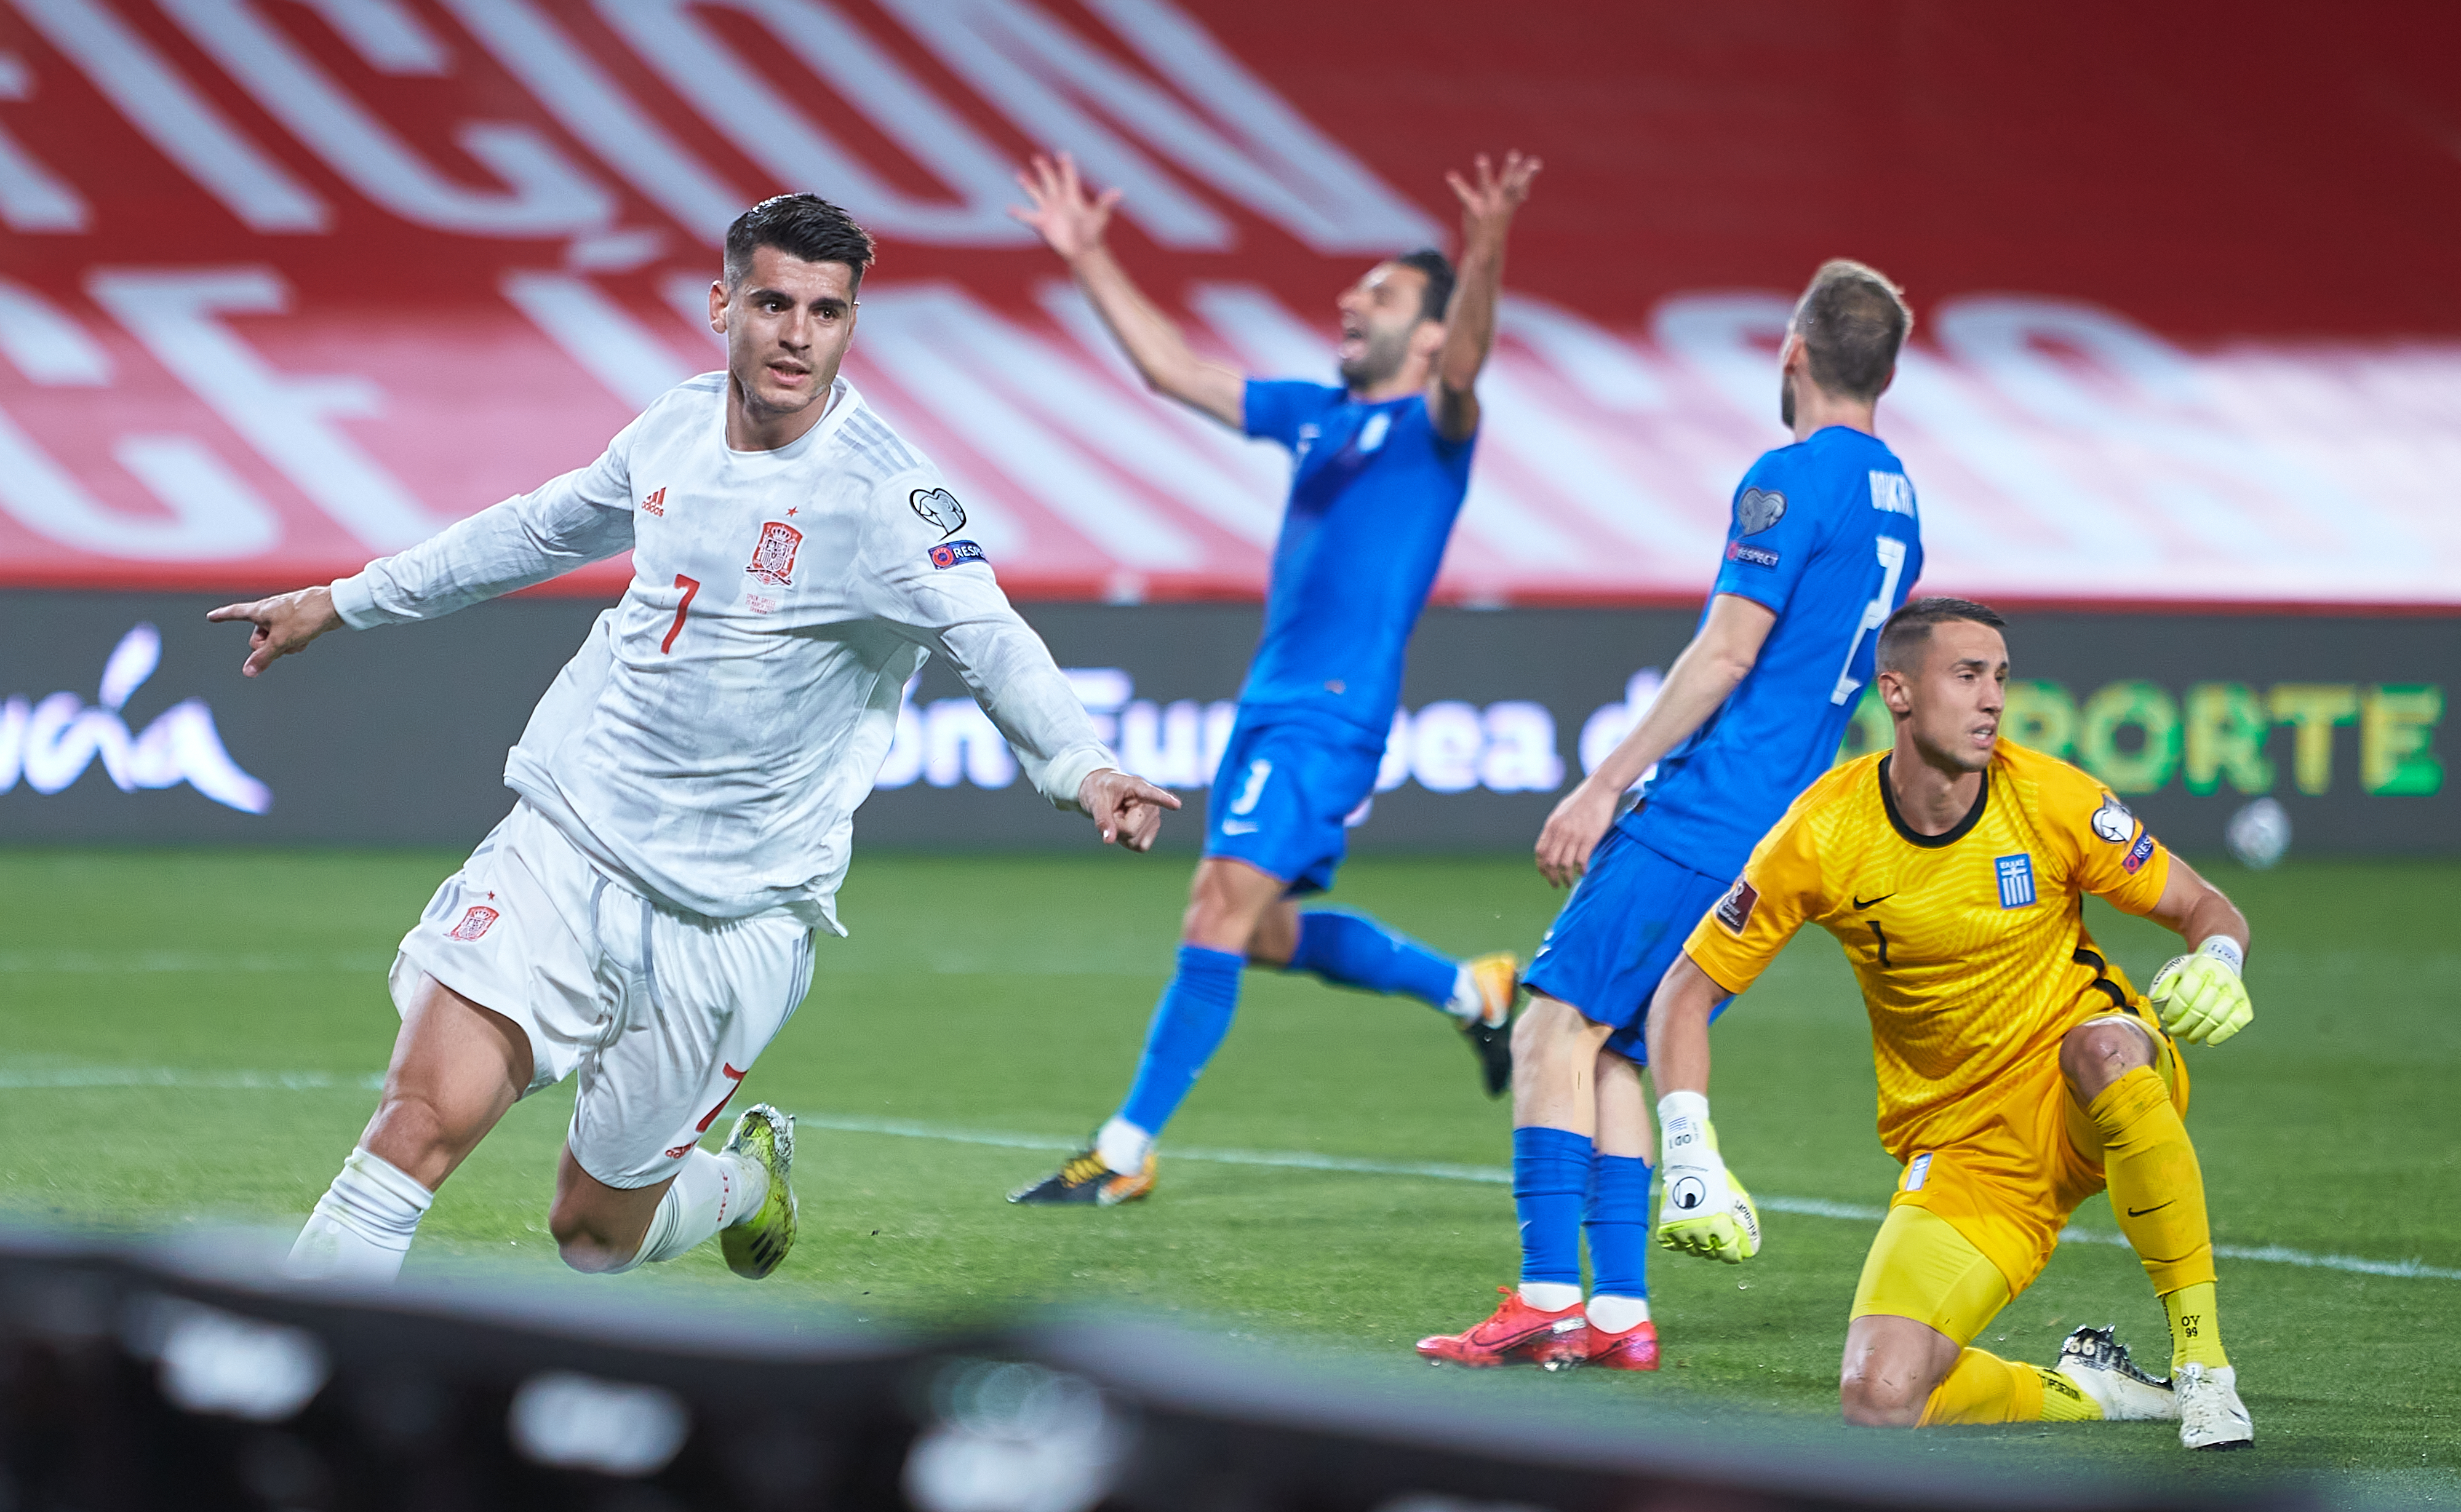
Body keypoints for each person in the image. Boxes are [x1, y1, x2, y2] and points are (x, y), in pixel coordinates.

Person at [210, 194, 1178, 1284]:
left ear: (851, 325)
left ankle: (748, 1182)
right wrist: (343, 601)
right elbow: (536, 529)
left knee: (590, 1236)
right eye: (773, 303)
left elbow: (990, 637)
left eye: (826, 311)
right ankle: (274, 1403)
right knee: (416, 1125)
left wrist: (1081, 765)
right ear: (724, 305)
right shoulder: (670, 427)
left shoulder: (888, 501)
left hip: (736, 918)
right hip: (568, 847)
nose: (797, 335)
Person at [1005, 151, 1540, 1206]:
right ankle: (1470, 988)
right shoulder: (1315, 414)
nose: (1351, 299)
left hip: (1328, 715)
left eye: (1380, 294)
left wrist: (1485, 249)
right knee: (1262, 929)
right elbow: (1170, 369)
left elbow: (1471, 363)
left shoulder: (1436, 426)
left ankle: (1123, 1152)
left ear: (1429, 334)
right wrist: (1090, 254)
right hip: (1274, 705)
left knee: (1213, 912)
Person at [1416, 260, 1923, 1371]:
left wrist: (1604, 785)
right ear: (1887, 369)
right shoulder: (1899, 496)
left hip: (1709, 808)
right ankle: (1616, 1314)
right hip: (1783, 826)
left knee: (1548, 1023)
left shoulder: (1789, 479)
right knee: (1612, 1056)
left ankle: (1548, 1294)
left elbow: (1730, 649)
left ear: (1792, 350)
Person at [1645, 597, 2256, 1450]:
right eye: (1967, 675)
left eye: (2001, 676)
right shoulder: (1825, 831)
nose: (1993, 698)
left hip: (2089, 1074)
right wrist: (1688, 1146)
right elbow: (1684, 988)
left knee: (2106, 1045)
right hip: (1966, 1142)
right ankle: (2094, 1390)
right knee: (1882, 1393)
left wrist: (2218, 959)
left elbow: (2205, 905)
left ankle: (2205, 1370)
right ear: (1897, 691)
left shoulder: (2049, 796)